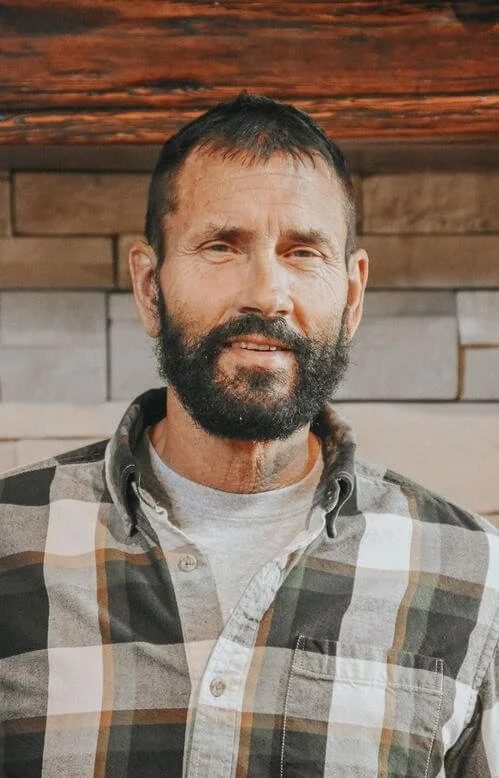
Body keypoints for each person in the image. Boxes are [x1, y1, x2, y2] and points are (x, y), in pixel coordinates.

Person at [0, 93, 497, 778]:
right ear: (149, 287)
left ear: (351, 296)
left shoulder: (473, 573)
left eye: (302, 251)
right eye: (220, 246)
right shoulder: (8, 541)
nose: (266, 292)